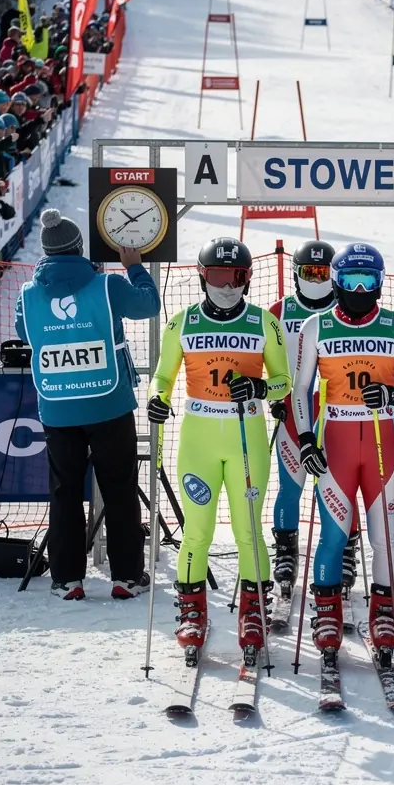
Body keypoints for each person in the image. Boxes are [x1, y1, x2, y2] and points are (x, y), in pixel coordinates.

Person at [148, 238, 290, 661]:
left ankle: (253, 613)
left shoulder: (265, 323)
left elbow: (285, 380)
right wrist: (159, 399)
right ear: (203, 277)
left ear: (248, 279)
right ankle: (192, 613)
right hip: (199, 438)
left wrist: (262, 387)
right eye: (219, 277)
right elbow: (162, 377)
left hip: (246, 438)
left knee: (249, 530)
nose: (228, 287)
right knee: (198, 532)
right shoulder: (182, 323)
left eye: (238, 278)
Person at [15, 210, 160, 600]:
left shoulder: (28, 295)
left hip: (59, 407)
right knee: (119, 488)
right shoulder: (107, 285)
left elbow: (21, 332)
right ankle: (126, 577)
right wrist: (135, 268)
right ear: (79, 249)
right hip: (108, 403)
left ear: (46, 253)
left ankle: (67, 580)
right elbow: (149, 304)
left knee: (64, 492)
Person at [292, 243, 394, 667]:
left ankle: (384, 612)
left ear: (380, 283)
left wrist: (391, 394)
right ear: (335, 281)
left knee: (384, 535)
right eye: (350, 281)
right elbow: (300, 391)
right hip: (336, 447)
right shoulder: (316, 326)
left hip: (384, 445)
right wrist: (307, 440)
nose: (359, 290)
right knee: (333, 534)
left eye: (368, 281)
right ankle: (327, 611)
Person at [268, 240, 335, 603]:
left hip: (336, 410)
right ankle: (285, 548)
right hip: (293, 410)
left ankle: (344, 547)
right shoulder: (279, 310)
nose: (316, 278)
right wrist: (272, 398)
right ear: (297, 274)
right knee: (289, 485)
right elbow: (265, 360)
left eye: (322, 272)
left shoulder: (346, 309)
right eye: (309, 272)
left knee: (337, 486)